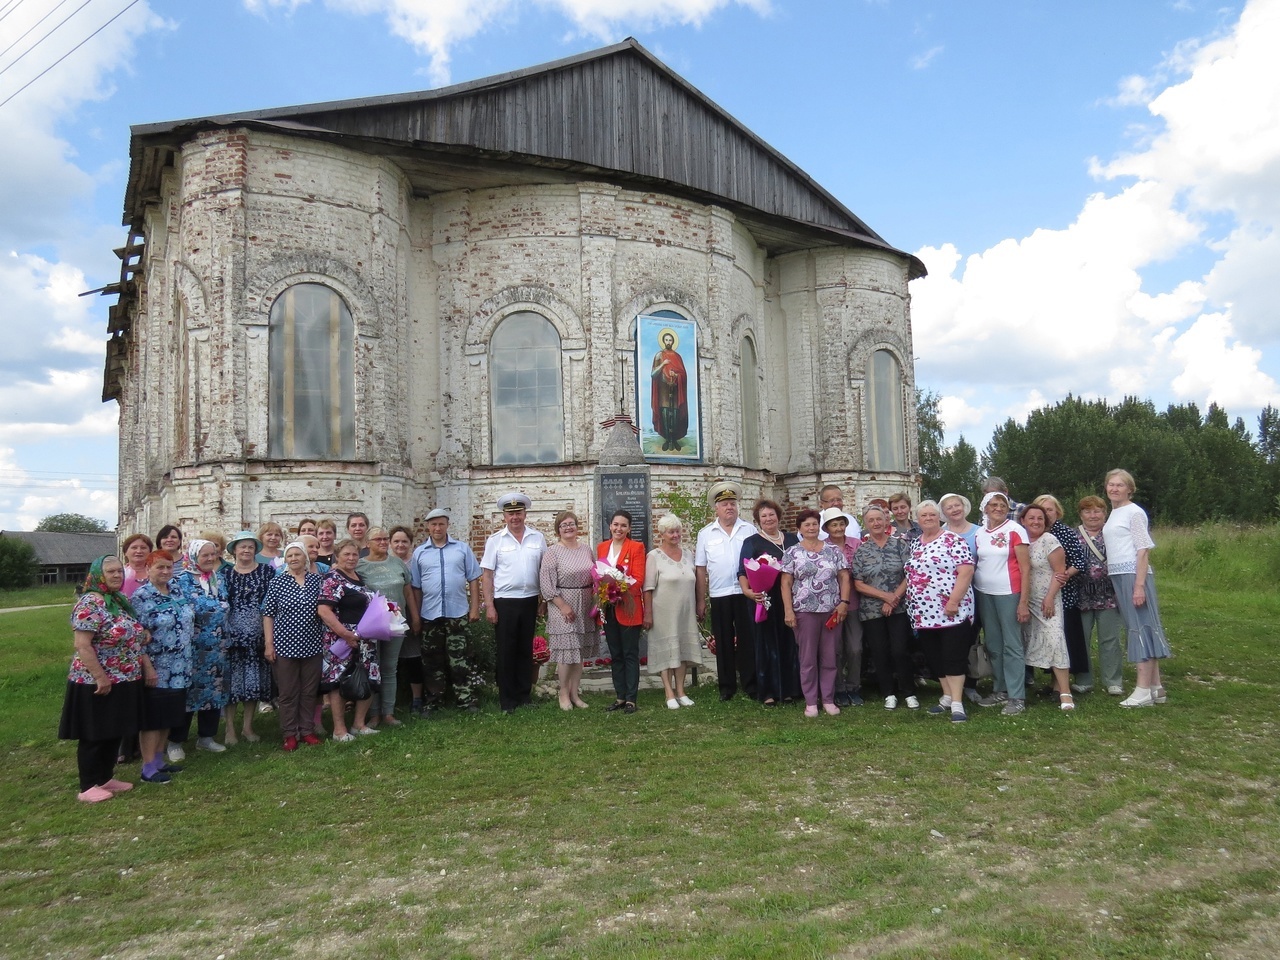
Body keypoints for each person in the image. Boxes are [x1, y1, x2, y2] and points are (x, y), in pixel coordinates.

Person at [58, 556, 153, 802]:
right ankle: (88, 785)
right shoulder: (90, 602)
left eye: (120, 571)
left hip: (124, 676)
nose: (117, 575)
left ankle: (105, 777)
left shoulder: (117, 600)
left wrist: (142, 634)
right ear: (97, 574)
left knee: (113, 729)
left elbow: (127, 631)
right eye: (110, 571)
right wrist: (100, 677)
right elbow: (83, 645)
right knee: (95, 732)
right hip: (95, 680)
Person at [1103, 468, 1173, 707]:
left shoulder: (1134, 512)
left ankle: (1142, 690)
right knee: (1142, 627)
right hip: (1119, 574)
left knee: (1140, 629)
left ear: (1130, 489)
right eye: (1111, 484)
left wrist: (1139, 586)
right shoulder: (1115, 513)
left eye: (1120, 485)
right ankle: (1156, 687)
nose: (1114, 489)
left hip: (1133, 574)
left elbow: (1143, 550)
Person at [905, 501, 976, 723]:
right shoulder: (915, 543)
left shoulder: (953, 540)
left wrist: (953, 601)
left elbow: (966, 571)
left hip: (951, 610)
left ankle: (957, 703)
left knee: (953, 656)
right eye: (923, 515)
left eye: (932, 515)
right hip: (923, 613)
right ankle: (946, 696)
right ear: (917, 519)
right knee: (934, 657)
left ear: (939, 517)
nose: (928, 518)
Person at [409, 508, 484, 714]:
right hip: (430, 614)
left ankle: (465, 700)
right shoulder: (420, 553)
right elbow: (416, 587)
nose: (437, 528)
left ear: (447, 525)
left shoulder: (461, 549)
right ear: (428, 527)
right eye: (433, 524)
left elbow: (473, 579)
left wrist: (475, 608)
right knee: (431, 660)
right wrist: (416, 617)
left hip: (457, 613)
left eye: (441, 524)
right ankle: (434, 701)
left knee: (461, 658)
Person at [780, 508, 851, 717]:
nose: (811, 528)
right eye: (807, 525)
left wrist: (844, 602)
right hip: (804, 612)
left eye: (814, 524)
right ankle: (811, 701)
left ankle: (828, 699)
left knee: (830, 657)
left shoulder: (833, 550)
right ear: (799, 528)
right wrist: (788, 610)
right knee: (808, 658)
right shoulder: (792, 552)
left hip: (831, 611)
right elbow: (786, 583)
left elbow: (844, 577)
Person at [480, 493, 546, 714]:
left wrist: (543, 600)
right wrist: (490, 605)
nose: (515, 517)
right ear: (504, 516)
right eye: (510, 514)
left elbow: (544, 571)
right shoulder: (495, 540)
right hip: (505, 602)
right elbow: (487, 575)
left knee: (525, 649)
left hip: (530, 600)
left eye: (518, 513)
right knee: (506, 651)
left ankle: (523, 695)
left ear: (525, 514)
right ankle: (507, 700)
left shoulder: (537, 538)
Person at [131, 549, 194, 783]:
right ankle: (147, 767)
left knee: (169, 715)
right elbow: (137, 636)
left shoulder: (176, 589)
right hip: (157, 667)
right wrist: (147, 667)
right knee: (153, 718)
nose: (165, 571)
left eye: (168, 567)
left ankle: (159, 760)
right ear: (148, 569)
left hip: (181, 665)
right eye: (160, 567)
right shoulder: (141, 596)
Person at [695, 481, 758, 701]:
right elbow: (701, 569)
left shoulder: (749, 530)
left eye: (732, 503)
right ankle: (726, 686)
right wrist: (701, 600)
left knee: (747, 639)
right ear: (717, 508)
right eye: (724, 504)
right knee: (723, 641)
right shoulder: (706, 534)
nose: (729, 507)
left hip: (745, 593)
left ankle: (751, 684)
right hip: (719, 594)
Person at [852, 505, 917, 710]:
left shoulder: (899, 545)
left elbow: (909, 573)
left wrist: (893, 598)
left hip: (899, 607)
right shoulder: (861, 551)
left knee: (900, 650)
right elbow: (858, 583)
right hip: (872, 610)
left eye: (879, 519)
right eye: (871, 520)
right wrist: (885, 597)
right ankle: (888, 693)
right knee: (879, 652)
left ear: (886, 521)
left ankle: (909, 692)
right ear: (866, 524)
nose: (876, 523)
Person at [262, 542, 325, 750]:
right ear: (285, 559)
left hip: (312, 644)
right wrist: (269, 644)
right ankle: (289, 733)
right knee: (288, 692)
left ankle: (307, 730)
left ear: (305, 557)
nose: (294, 558)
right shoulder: (278, 582)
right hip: (285, 646)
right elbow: (268, 614)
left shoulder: (317, 580)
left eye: (298, 554)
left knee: (309, 691)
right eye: (290, 555)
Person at [973, 492, 1031, 716]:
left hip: (1009, 593)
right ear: (985, 508)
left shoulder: (1015, 530)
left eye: (1002, 505)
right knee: (994, 643)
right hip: (984, 593)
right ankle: (1001, 689)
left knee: (1012, 644)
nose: (998, 508)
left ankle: (1017, 696)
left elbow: (1025, 568)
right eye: (993, 505)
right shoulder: (980, 533)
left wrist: (1023, 602)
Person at [738, 499, 800, 706]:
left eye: (771, 514)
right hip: (763, 598)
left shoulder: (792, 539)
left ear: (778, 516)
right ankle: (768, 692)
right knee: (765, 644)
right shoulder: (752, 542)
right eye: (763, 516)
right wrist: (747, 591)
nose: (768, 519)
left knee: (788, 642)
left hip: (789, 597)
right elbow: (743, 570)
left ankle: (789, 689)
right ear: (758, 520)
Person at [317, 540, 381, 739]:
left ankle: (358, 725)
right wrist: (345, 634)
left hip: (365, 639)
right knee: (339, 681)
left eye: (354, 554)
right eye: (347, 554)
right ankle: (339, 730)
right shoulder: (332, 579)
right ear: (337, 556)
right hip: (341, 641)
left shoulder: (359, 578)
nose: (351, 558)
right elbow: (324, 610)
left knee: (368, 678)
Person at [172, 539, 230, 752]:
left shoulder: (218, 579)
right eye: (205, 555)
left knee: (213, 691)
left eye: (213, 554)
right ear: (194, 556)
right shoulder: (180, 581)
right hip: (192, 649)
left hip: (218, 648)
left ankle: (206, 737)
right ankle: (175, 741)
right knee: (187, 694)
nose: (210, 558)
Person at [1032, 494, 1091, 692]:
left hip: (1063, 595)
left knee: (1061, 638)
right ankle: (1053, 682)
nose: (1046, 514)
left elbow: (1079, 561)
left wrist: (1064, 575)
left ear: (1057, 512)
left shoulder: (1064, 532)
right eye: (1042, 510)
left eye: (1050, 510)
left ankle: (1060, 687)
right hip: (1039, 594)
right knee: (1048, 638)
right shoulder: (1034, 533)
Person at [540, 511, 598, 711]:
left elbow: (595, 574)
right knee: (567, 650)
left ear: (577, 526)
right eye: (563, 525)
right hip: (562, 603)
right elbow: (546, 584)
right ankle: (563, 693)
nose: (568, 528)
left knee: (578, 651)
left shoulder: (586, 549)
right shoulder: (552, 552)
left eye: (571, 524)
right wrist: (563, 605)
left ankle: (575, 693)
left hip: (585, 602)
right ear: (558, 529)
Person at [357, 527, 414, 726]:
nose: (383, 542)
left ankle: (388, 713)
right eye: (378, 539)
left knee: (390, 668)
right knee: (373, 668)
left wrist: (414, 617)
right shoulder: (360, 566)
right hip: (371, 625)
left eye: (385, 539)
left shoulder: (397, 563)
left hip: (396, 623)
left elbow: (408, 593)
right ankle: (373, 714)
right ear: (367, 543)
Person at [643, 514, 701, 709]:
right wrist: (648, 613)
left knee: (681, 651)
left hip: (685, 612)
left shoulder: (688, 554)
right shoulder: (654, 556)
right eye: (671, 532)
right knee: (667, 652)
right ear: (662, 534)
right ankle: (669, 693)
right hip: (663, 613)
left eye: (677, 531)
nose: (675, 535)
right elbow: (648, 588)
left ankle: (681, 692)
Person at [1019, 504, 1074, 710]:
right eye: (1031, 518)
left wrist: (1050, 597)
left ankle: (1065, 692)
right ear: (1023, 521)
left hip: (1047, 601)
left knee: (1055, 640)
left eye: (1040, 518)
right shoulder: (1021, 541)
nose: (1036, 522)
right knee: (1028, 641)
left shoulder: (1049, 540)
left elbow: (1060, 572)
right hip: (1026, 601)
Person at [222, 531, 274, 744]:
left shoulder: (266, 572)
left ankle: (247, 727)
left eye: (250, 547)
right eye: (242, 546)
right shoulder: (225, 575)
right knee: (232, 684)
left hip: (258, 634)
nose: (246, 550)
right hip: (232, 636)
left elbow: (271, 602)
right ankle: (229, 730)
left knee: (253, 681)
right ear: (234, 550)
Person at [596, 509, 647, 714]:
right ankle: (620, 696)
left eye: (623, 525)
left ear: (629, 528)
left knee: (630, 654)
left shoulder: (636, 547)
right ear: (610, 526)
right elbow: (598, 574)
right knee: (615, 654)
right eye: (616, 524)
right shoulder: (602, 547)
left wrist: (618, 589)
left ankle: (631, 699)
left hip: (628, 606)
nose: (619, 528)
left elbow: (639, 579)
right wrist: (604, 590)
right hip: (608, 607)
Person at [1075, 495, 1125, 696]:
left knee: (1110, 639)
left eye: (1097, 511)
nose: (1093, 515)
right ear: (1081, 514)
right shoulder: (1073, 535)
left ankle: (1113, 681)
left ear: (1105, 513)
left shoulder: (1113, 533)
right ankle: (1083, 680)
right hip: (1080, 596)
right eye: (1087, 511)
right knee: (1081, 639)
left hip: (1109, 595)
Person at [939, 492, 984, 705]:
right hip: (948, 597)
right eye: (949, 507)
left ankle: (971, 684)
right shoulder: (941, 533)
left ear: (964, 507)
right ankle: (952, 685)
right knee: (953, 642)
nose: (954, 510)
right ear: (943, 512)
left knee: (972, 639)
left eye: (957, 505)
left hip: (976, 591)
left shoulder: (979, 532)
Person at [819, 507, 863, 707]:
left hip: (853, 602)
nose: (838, 528)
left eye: (841, 524)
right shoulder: (822, 547)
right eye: (834, 525)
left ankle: (854, 686)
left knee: (855, 648)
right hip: (830, 604)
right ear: (827, 528)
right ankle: (838, 688)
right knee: (834, 649)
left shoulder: (857, 544)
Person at [650, 328, 689, 452]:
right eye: (666, 340)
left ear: (673, 342)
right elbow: (653, 374)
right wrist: (663, 364)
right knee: (665, 416)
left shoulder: (677, 357)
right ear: (663, 341)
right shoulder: (659, 355)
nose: (668, 342)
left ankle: (674, 439)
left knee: (675, 416)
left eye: (670, 340)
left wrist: (677, 375)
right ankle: (668, 440)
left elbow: (684, 374)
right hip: (663, 392)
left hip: (676, 392)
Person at [120, 533, 153, 598]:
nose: (139, 551)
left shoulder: (157, 573)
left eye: (143, 548)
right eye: (134, 548)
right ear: (125, 552)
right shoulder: (120, 574)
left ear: (150, 552)